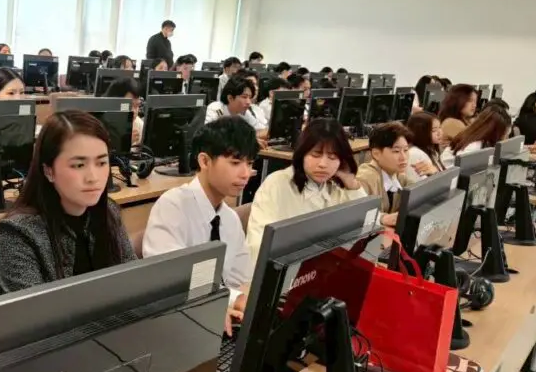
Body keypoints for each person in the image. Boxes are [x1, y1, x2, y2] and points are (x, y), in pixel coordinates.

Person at [233, 120, 365, 325]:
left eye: (332, 157)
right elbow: (259, 245)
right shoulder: (277, 184)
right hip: (279, 286)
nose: (323, 164)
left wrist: (352, 184)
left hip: (321, 282)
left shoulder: (337, 187)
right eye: (315, 154)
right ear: (302, 153)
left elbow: (366, 226)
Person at [0, 111, 136, 294]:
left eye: (101, 163)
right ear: (49, 171)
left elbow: (133, 283)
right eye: (79, 165)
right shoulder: (18, 234)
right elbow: (34, 309)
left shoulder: (109, 211)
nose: (93, 177)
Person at [143, 117, 257, 298]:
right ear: (204, 161)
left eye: (249, 163)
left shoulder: (230, 219)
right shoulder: (173, 207)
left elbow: (243, 280)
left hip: (219, 307)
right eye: (235, 163)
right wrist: (230, 301)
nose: (246, 174)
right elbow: (170, 281)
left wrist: (240, 300)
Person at [356, 123, 411, 225]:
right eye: (396, 151)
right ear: (376, 154)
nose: (403, 157)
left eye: (406, 150)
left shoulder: (399, 176)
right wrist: (382, 218)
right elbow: (355, 215)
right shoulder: (365, 178)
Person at [443, 105, 512, 165]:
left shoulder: (474, 136)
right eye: (504, 134)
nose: (505, 138)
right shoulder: (474, 147)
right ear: (494, 133)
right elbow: (464, 172)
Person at [405, 112, 446, 179]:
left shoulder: (431, 150)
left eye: (440, 127)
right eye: (434, 130)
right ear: (420, 132)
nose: (440, 132)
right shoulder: (415, 154)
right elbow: (417, 183)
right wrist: (436, 173)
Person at [104, 77, 144, 145]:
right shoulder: (101, 124)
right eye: (129, 106)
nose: (134, 112)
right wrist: (124, 143)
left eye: (137, 106)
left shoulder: (138, 124)